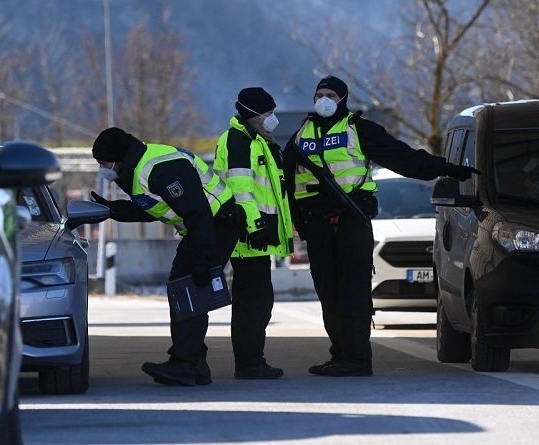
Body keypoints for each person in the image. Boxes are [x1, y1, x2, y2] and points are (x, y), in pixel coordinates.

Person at [283, 75, 477, 377]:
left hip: (351, 222)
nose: (323, 100)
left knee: (353, 292)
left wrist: (449, 169)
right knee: (328, 292)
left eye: (331, 95)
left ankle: (358, 359)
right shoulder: (299, 137)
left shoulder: (358, 129)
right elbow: (289, 184)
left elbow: (405, 159)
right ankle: (340, 355)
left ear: (343, 99)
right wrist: (300, 225)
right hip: (317, 225)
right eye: (319, 94)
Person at [90, 127, 246, 386]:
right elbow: (155, 208)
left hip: (215, 225)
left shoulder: (162, 167)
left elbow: (199, 214)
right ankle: (194, 364)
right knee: (183, 290)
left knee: (189, 291)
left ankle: (186, 364)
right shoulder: (138, 168)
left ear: (117, 157)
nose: (103, 168)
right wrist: (113, 209)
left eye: (103, 162)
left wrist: (202, 262)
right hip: (204, 227)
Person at [213, 87, 294, 380]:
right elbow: (240, 188)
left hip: (259, 236)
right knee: (252, 304)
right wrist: (255, 225)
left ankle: (252, 360)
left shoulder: (256, 140)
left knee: (259, 302)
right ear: (254, 114)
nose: (272, 119)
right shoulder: (239, 140)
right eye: (268, 114)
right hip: (249, 238)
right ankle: (249, 363)